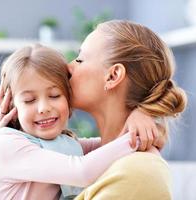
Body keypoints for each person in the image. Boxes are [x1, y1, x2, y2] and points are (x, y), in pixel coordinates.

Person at [0, 44, 161, 200]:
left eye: (54, 96)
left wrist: (139, 115)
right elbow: (82, 172)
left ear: (68, 98)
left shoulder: (62, 145)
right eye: (29, 100)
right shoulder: (7, 146)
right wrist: (136, 137)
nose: (43, 108)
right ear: (12, 107)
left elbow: (109, 144)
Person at [64, 20, 186, 199]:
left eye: (80, 59)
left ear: (113, 76)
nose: (68, 66)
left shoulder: (138, 174)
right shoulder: (99, 158)